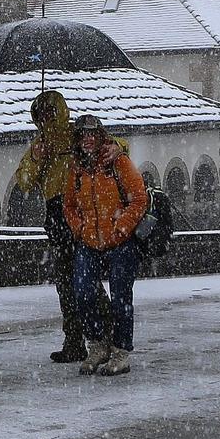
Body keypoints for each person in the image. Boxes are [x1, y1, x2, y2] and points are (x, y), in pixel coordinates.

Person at [12, 89, 106, 363]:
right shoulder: (40, 144)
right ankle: (75, 339)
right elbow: (24, 181)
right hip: (57, 216)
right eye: (41, 114)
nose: (46, 118)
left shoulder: (77, 135)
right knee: (66, 283)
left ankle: (103, 335)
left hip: (83, 212)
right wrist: (37, 158)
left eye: (50, 112)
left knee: (86, 280)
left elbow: (114, 147)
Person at [62, 114, 148, 377]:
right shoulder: (76, 169)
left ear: (100, 137)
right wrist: (80, 229)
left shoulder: (118, 162)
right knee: (83, 293)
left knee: (121, 297)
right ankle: (98, 344)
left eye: (92, 134)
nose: (87, 140)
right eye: (82, 135)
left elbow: (139, 198)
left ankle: (121, 351)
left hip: (120, 242)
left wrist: (121, 227)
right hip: (89, 241)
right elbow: (69, 205)